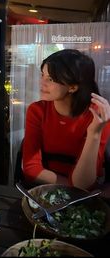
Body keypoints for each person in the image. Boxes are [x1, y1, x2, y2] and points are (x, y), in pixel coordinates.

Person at [22, 49, 110, 190]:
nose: (41, 83)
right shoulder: (37, 111)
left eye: (50, 79)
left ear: (73, 87)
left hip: (83, 199)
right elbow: (31, 169)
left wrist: (94, 133)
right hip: (46, 190)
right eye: (42, 75)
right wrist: (72, 186)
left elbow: (85, 183)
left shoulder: (98, 117)